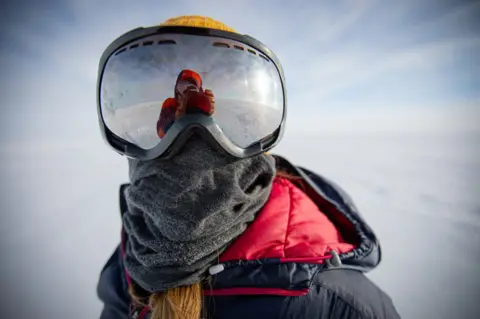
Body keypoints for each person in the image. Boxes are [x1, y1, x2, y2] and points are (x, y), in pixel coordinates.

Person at [96, 15, 401, 319]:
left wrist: (205, 110)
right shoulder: (126, 269)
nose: (193, 140)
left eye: (193, 87)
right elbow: (164, 132)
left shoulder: (333, 305)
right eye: (184, 87)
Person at [157, 69, 215, 138]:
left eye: (191, 88)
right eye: (182, 87)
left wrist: (206, 111)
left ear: (199, 91)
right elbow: (161, 132)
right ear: (176, 89)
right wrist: (176, 121)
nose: (185, 93)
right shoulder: (170, 105)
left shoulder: (202, 102)